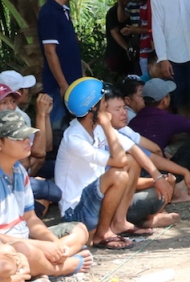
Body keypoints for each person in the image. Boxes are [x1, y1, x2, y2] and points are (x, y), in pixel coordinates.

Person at [0, 111, 94, 277]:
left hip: (24, 239)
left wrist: (53, 244)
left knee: (79, 229)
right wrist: (42, 247)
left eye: (27, 135)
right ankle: (59, 268)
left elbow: (31, 218)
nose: (27, 141)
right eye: (19, 138)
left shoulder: (18, 169)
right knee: (24, 251)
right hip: (0, 247)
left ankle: (50, 261)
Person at [56, 78, 159, 251]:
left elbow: (132, 149)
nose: (106, 106)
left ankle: (119, 222)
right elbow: (120, 161)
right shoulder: (74, 137)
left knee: (133, 163)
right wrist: (106, 124)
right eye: (103, 102)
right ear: (93, 108)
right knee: (118, 174)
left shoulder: (95, 129)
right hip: (75, 212)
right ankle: (102, 234)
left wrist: (158, 176)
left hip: (96, 200)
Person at [37, 0, 83, 127]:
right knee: (57, 126)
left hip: (71, 79)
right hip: (58, 85)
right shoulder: (49, 13)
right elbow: (50, 52)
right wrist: (63, 84)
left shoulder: (63, 11)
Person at [123, 0, 153, 76]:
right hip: (143, 45)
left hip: (153, 45)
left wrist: (134, 30)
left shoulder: (152, 3)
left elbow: (152, 28)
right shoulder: (140, 4)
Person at [105, 0, 133, 75]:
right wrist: (127, 48)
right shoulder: (112, 12)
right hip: (116, 53)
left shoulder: (132, 9)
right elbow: (115, 33)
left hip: (130, 52)